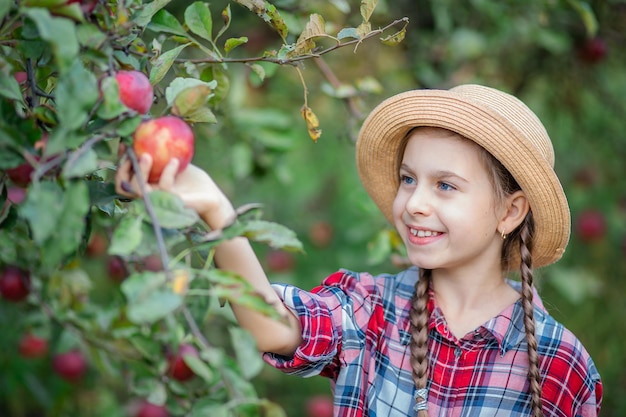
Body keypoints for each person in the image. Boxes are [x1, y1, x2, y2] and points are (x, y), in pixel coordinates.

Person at [115, 84, 602, 417]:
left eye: (446, 186)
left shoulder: (560, 365)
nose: (414, 203)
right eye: (408, 179)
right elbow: (275, 327)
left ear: (510, 212)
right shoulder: (371, 310)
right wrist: (215, 209)